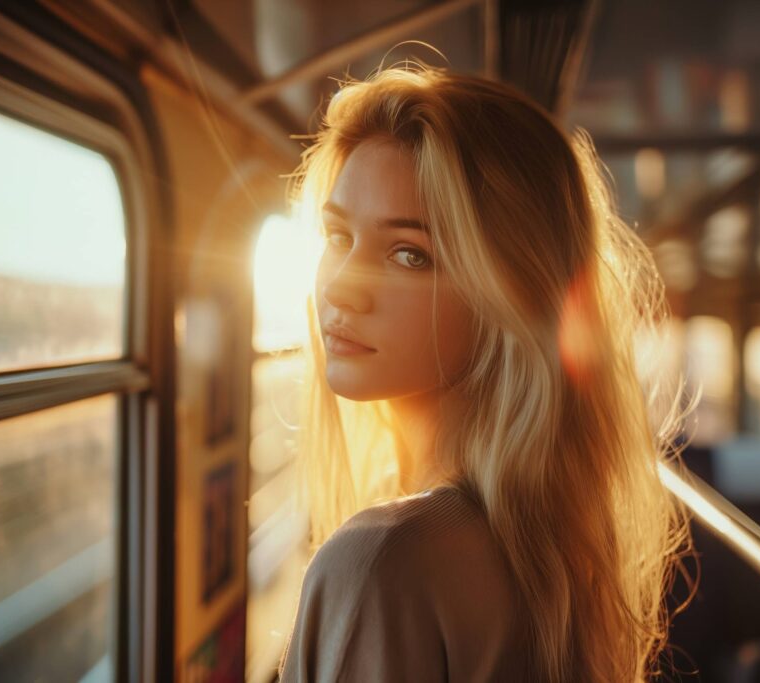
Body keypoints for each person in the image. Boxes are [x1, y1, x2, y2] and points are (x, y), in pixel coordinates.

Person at [277, 64, 693, 682]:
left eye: (408, 254)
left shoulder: (384, 563)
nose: (340, 288)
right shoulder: (552, 546)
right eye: (338, 236)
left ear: (509, 299)